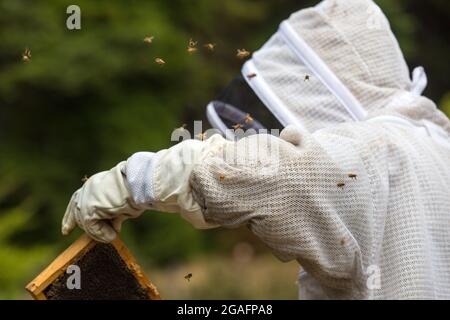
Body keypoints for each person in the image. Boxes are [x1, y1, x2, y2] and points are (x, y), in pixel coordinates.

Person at [61, 0, 450, 299]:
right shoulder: (433, 146)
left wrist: (138, 180)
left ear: (325, 87)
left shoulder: (379, 150)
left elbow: (280, 174)